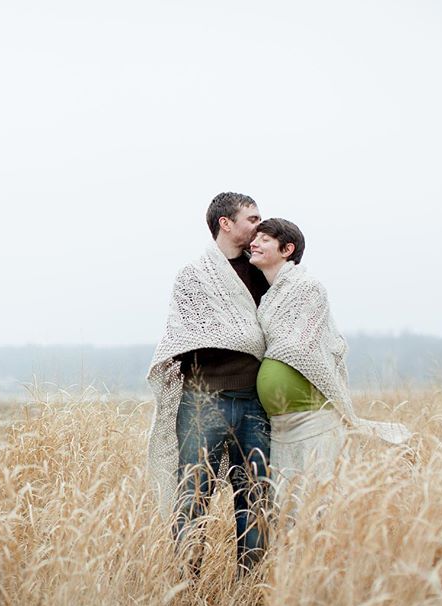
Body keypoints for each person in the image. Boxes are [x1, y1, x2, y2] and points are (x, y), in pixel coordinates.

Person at [147, 192, 270, 572]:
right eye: (252, 218)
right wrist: (238, 337)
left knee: (256, 495)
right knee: (192, 496)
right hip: (203, 399)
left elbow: (281, 326)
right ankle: (187, 587)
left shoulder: (265, 272)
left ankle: (250, 589)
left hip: (254, 399)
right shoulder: (193, 276)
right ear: (225, 223)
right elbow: (182, 339)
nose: (259, 226)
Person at [248, 218, 410, 501]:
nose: (255, 243)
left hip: (313, 416)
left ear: (287, 249)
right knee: (285, 503)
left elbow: (304, 346)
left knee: (314, 500)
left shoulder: (307, 287)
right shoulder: (268, 297)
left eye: (264, 238)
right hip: (282, 423)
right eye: (255, 238)